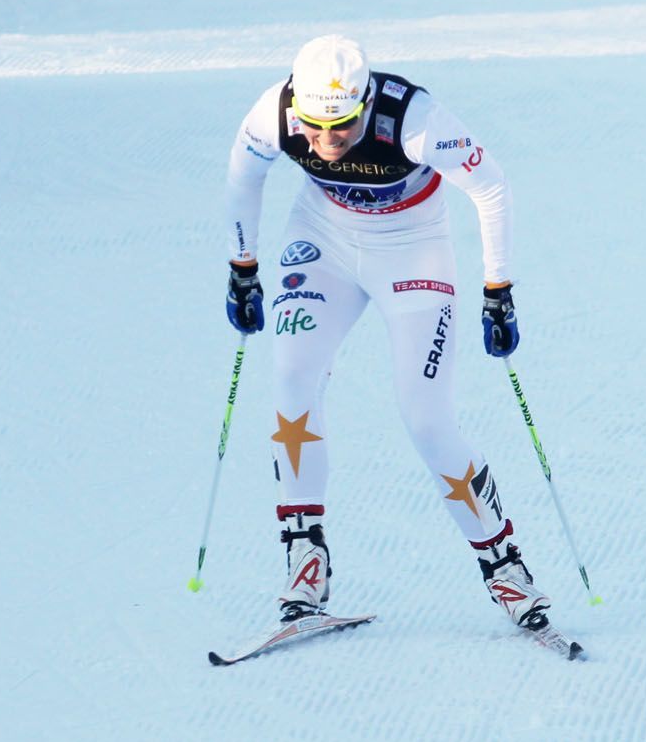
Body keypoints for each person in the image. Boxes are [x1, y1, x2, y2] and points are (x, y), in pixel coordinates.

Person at [223, 34, 564, 642]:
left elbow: (490, 186)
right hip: (322, 240)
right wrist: (242, 268)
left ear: (365, 104)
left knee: (426, 416)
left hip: (412, 250)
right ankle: (306, 563)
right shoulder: (273, 112)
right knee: (292, 381)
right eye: (314, 127)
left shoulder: (415, 121)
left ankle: (506, 569)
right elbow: (243, 177)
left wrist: (497, 287)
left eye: (344, 127)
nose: (326, 142)